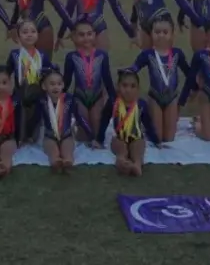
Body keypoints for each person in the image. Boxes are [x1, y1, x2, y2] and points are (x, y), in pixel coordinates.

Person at [128, 18, 190, 143]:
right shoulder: (148, 54)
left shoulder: (177, 54)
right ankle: (147, 124)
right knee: (158, 138)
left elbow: (189, 73)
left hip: (172, 98)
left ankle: (196, 124)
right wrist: (127, 72)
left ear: (172, 34)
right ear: (151, 34)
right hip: (155, 97)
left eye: (165, 32)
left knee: (169, 139)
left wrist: (195, 87)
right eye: (157, 32)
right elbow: (134, 68)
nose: (161, 35)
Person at [62, 14, 116, 145]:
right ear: (74, 37)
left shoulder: (102, 55)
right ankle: (76, 129)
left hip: (97, 97)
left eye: (89, 34)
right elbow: (66, 80)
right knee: (84, 137)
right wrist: (61, 97)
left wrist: (114, 97)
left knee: (97, 133)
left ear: (95, 35)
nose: (86, 38)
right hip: (80, 97)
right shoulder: (71, 57)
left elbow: (107, 78)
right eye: (81, 35)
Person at [97, 68, 161, 176]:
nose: (128, 90)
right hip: (119, 137)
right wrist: (99, 140)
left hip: (136, 137)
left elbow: (148, 125)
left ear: (138, 89)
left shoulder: (141, 104)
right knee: (121, 150)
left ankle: (137, 165)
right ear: (118, 87)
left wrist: (156, 140)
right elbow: (104, 121)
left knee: (138, 149)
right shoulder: (113, 103)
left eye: (132, 86)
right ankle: (122, 162)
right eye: (124, 85)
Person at [39, 65, 92, 173]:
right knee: (53, 152)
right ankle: (56, 162)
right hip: (50, 136)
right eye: (52, 84)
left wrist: (91, 135)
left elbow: (79, 118)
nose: (56, 87)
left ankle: (68, 162)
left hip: (66, 135)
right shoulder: (42, 101)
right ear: (44, 86)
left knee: (67, 152)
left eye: (59, 84)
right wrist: (27, 136)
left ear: (63, 85)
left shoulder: (69, 99)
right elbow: (35, 119)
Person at [6, 19, 52, 143]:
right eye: (25, 32)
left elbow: (49, 73)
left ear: (38, 35)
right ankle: (18, 135)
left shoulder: (42, 55)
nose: (29, 34)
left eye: (33, 31)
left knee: (40, 106)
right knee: (16, 106)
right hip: (20, 91)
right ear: (18, 36)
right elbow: (6, 73)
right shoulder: (15, 54)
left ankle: (32, 134)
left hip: (37, 92)